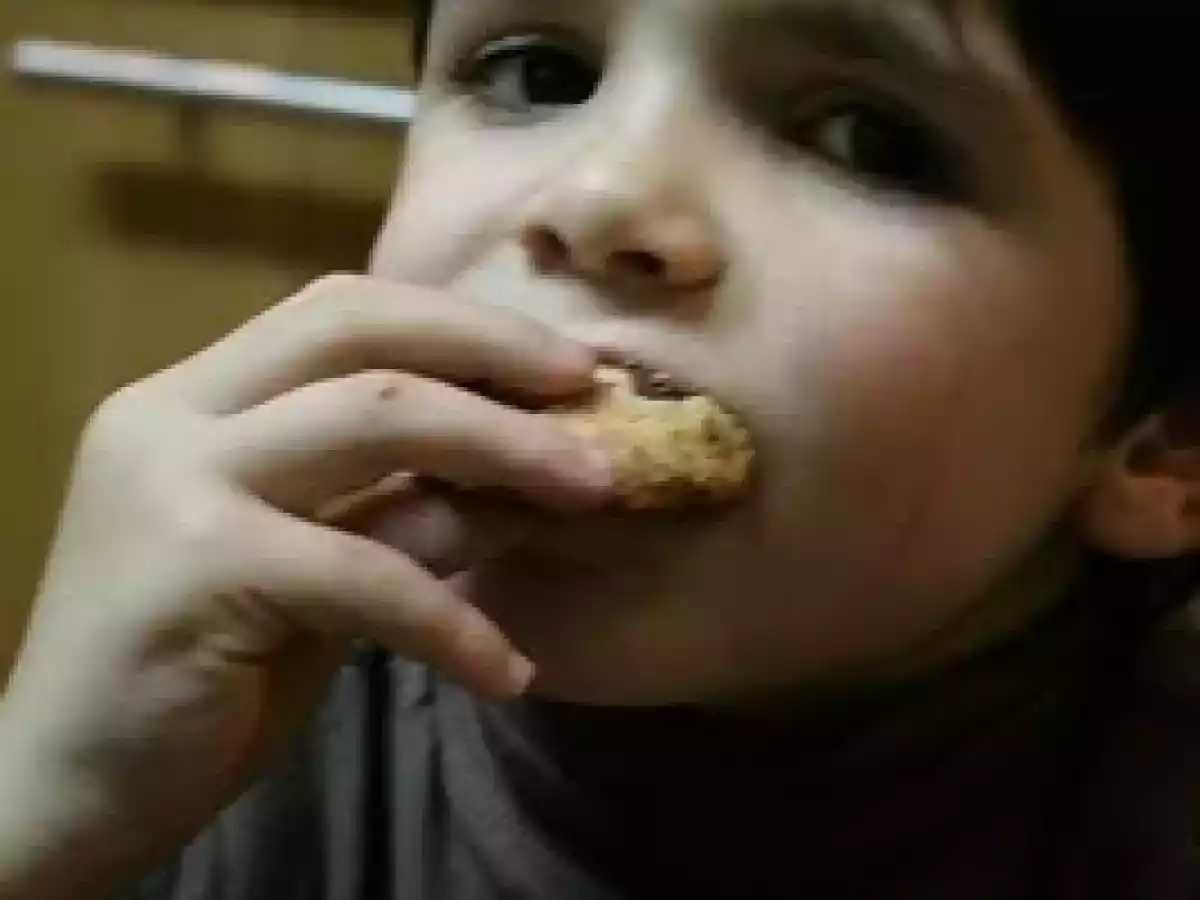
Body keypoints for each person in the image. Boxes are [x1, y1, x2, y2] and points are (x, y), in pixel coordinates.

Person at [2, 0, 1200, 897]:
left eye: (864, 136)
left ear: (1170, 444)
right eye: (536, 71)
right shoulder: (217, 728)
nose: (598, 196)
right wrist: (38, 821)